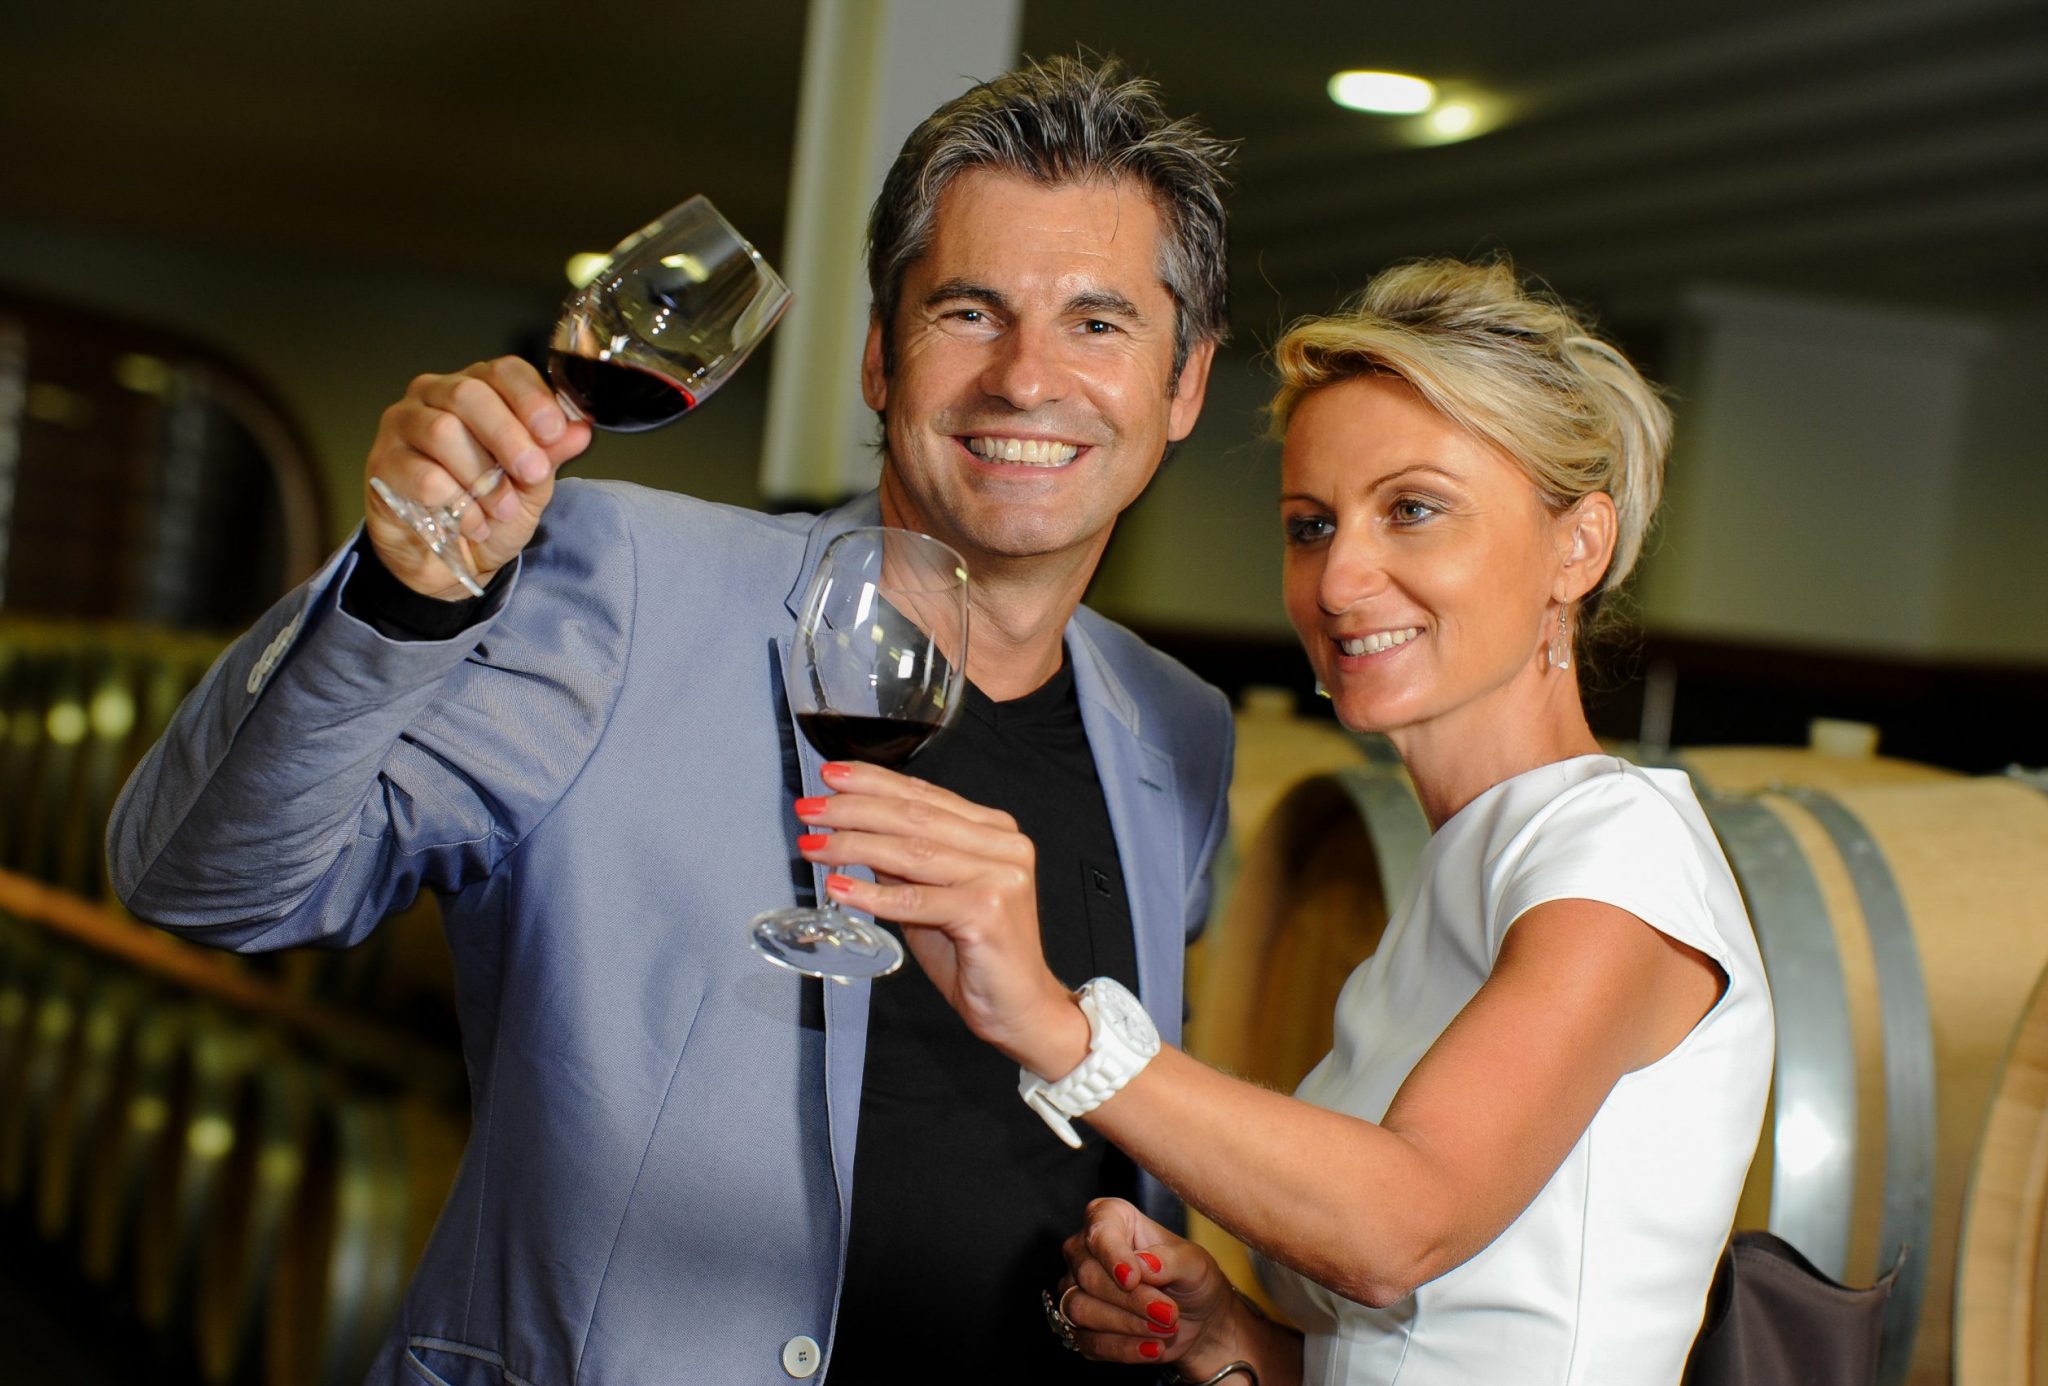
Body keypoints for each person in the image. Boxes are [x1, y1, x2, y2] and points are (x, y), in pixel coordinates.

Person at [106, 55, 1236, 1385]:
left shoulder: (1178, 731)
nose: (1027, 377)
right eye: (969, 311)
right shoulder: (625, 587)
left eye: (1100, 323)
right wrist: (406, 601)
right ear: (881, 356)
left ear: (1184, 386)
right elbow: (205, 883)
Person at [797, 257, 1775, 1384]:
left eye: (1412, 510)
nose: (1340, 579)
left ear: (1577, 546)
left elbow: (1396, 1229)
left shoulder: (1616, 853)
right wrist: (1231, 1337)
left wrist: (1053, 1023)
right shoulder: (1468, 872)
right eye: (1310, 526)